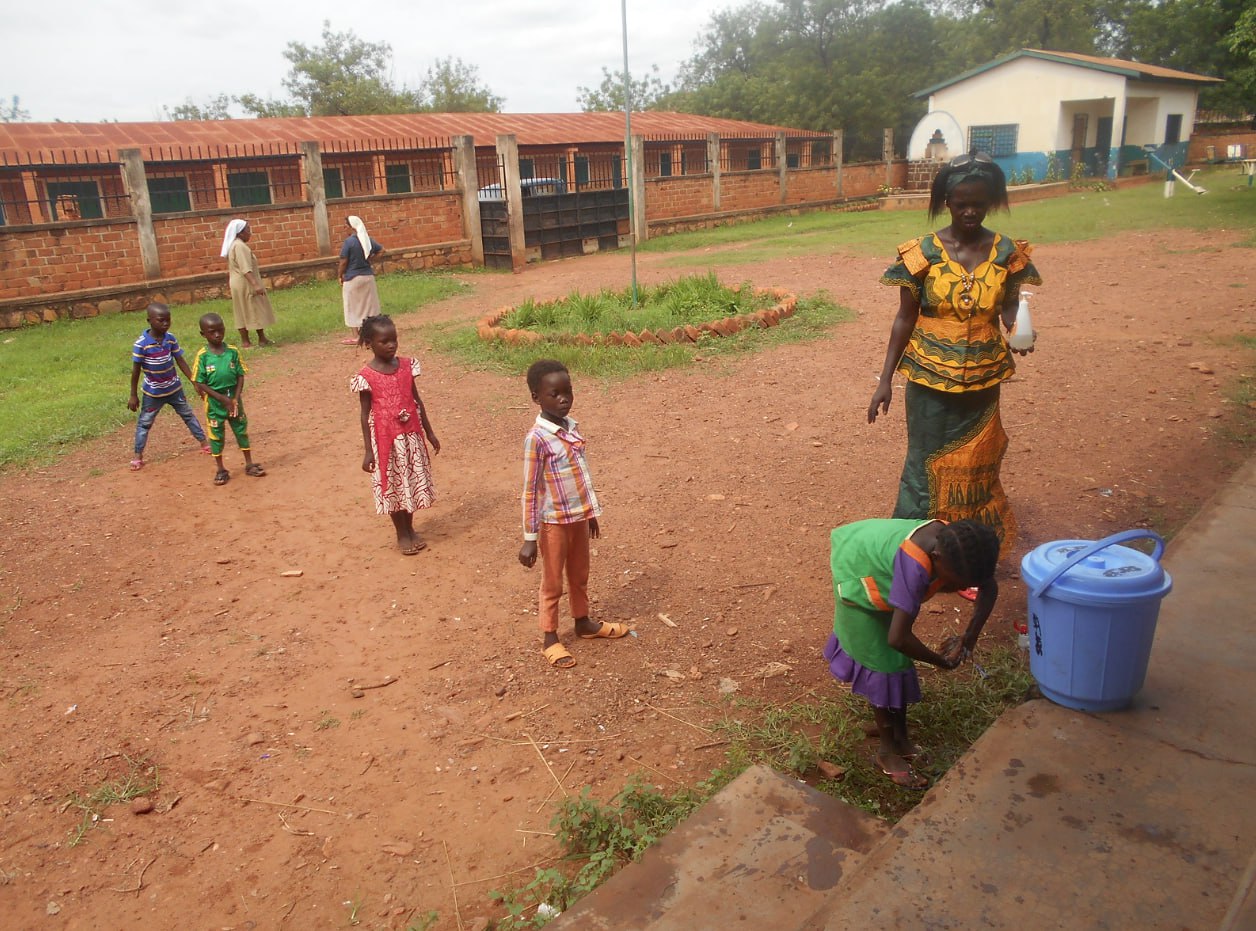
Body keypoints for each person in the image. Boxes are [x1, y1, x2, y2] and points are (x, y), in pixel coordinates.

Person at [868, 152, 1042, 558]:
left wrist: (1018, 327)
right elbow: (904, 318)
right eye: (961, 203)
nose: (970, 211)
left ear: (991, 202)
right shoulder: (921, 254)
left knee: (977, 463)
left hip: (984, 379)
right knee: (923, 466)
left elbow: (1011, 307)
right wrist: (884, 380)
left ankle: (967, 552)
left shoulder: (1007, 254)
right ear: (946, 201)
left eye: (979, 203)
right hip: (928, 381)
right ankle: (916, 552)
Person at [825, 517, 999, 789]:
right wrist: (939, 661)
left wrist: (969, 637)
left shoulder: (962, 548)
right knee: (883, 664)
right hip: (858, 572)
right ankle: (887, 752)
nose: (954, 589)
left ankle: (902, 740)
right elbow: (897, 638)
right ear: (936, 558)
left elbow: (989, 587)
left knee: (899, 663)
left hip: (882, 564)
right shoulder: (915, 566)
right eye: (953, 582)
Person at [517, 359, 628, 669]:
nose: (564, 399)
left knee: (579, 574)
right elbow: (529, 490)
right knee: (553, 581)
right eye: (555, 394)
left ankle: (583, 621)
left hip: (577, 518)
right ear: (536, 397)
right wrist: (529, 537)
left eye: (568, 392)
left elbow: (580, 474)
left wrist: (590, 513)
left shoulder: (572, 428)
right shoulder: (537, 439)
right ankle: (550, 637)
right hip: (553, 523)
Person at [350, 314, 440, 555]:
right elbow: (364, 414)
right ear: (369, 343)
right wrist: (368, 451)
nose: (391, 345)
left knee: (410, 484)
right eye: (384, 341)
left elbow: (417, 401)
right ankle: (401, 533)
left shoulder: (407, 366)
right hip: (386, 442)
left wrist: (429, 432)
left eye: (394, 340)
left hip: (410, 438)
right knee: (393, 487)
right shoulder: (366, 376)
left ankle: (410, 528)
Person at [127, 302, 210, 471]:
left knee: (188, 415)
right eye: (161, 320)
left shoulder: (170, 338)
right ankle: (138, 456)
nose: (165, 324)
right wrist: (133, 395)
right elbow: (135, 371)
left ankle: (204, 443)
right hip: (153, 393)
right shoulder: (141, 344)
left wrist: (194, 382)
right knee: (144, 423)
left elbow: (180, 361)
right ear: (149, 321)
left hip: (174, 389)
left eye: (168, 320)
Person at [192, 312, 266, 486]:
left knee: (241, 429)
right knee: (216, 435)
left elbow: (240, 375)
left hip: (233, 400)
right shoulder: (202, 356)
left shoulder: (232, 352)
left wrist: (235, 397)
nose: (217, 335)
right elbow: (199, 382)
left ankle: (249, 464)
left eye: (220, 330)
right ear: (203, 334)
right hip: (214, 404)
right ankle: (220, 469)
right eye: (212, 332)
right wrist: (221, 399)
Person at [221, 218, 276, 348]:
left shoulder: (234, 245)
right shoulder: (239, 246)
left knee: (241, 310)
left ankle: (247, 341)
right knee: (254, 308)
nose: (250, 233)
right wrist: (256, 284)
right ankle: (260, 339)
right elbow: (246, 268)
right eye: (248, 230)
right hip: (246, 283)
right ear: (240, 232)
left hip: (237, 283)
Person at [338, 215, 384, 345]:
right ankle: (372, 334)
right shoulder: (367, 240)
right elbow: (382, 250)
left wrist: (340, 275)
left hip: (352, 278)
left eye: (346, 225)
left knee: (352, 306)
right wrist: (370, 260)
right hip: (367, 277)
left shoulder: (349, 242)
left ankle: (356, 336)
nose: (344, 228)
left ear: (351, 227)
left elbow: (343, 261)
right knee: (370, 306)